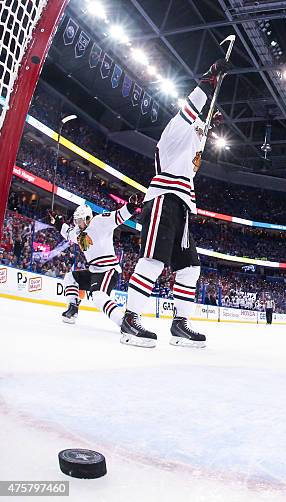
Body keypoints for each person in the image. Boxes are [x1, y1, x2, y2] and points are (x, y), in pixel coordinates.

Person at [120, 59, 229, 349]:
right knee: (154, 261)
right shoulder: (174, 131)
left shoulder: (190, 140)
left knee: (191, 268)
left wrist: (206, 129)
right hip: (163, 199)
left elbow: (195, 153)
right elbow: (189, 112)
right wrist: (208, 81)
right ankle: (131, 318)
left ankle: (180, 323)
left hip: (181, 204)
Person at [49, 198, 138, 327]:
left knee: (98, 297)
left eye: (80, 221)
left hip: (108, 270)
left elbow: (117, 217)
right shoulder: (78, 232)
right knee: (70, 278)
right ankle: (73, 309)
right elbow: (68, 233)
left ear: (88, 218)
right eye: (76, 221)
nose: (78, 224)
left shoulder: (99, 221)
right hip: (94, 271)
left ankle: (123, 322)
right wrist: (57, 221)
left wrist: (131, 207)